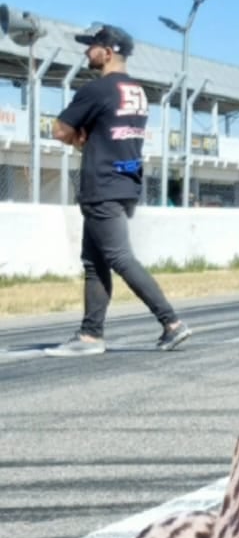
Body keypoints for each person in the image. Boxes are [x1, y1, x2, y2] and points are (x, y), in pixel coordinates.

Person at [48, 22, 191, 355]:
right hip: (126, 182)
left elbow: (58, 129)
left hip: (102, 183)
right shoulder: (138, 92)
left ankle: (172, 322)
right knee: (95, 261)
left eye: (92, 46)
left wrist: (75, 136)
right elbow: (109, 131)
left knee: (118, 257)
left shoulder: (97, 90)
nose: (87, 51)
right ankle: (90, 335)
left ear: (108, 52)